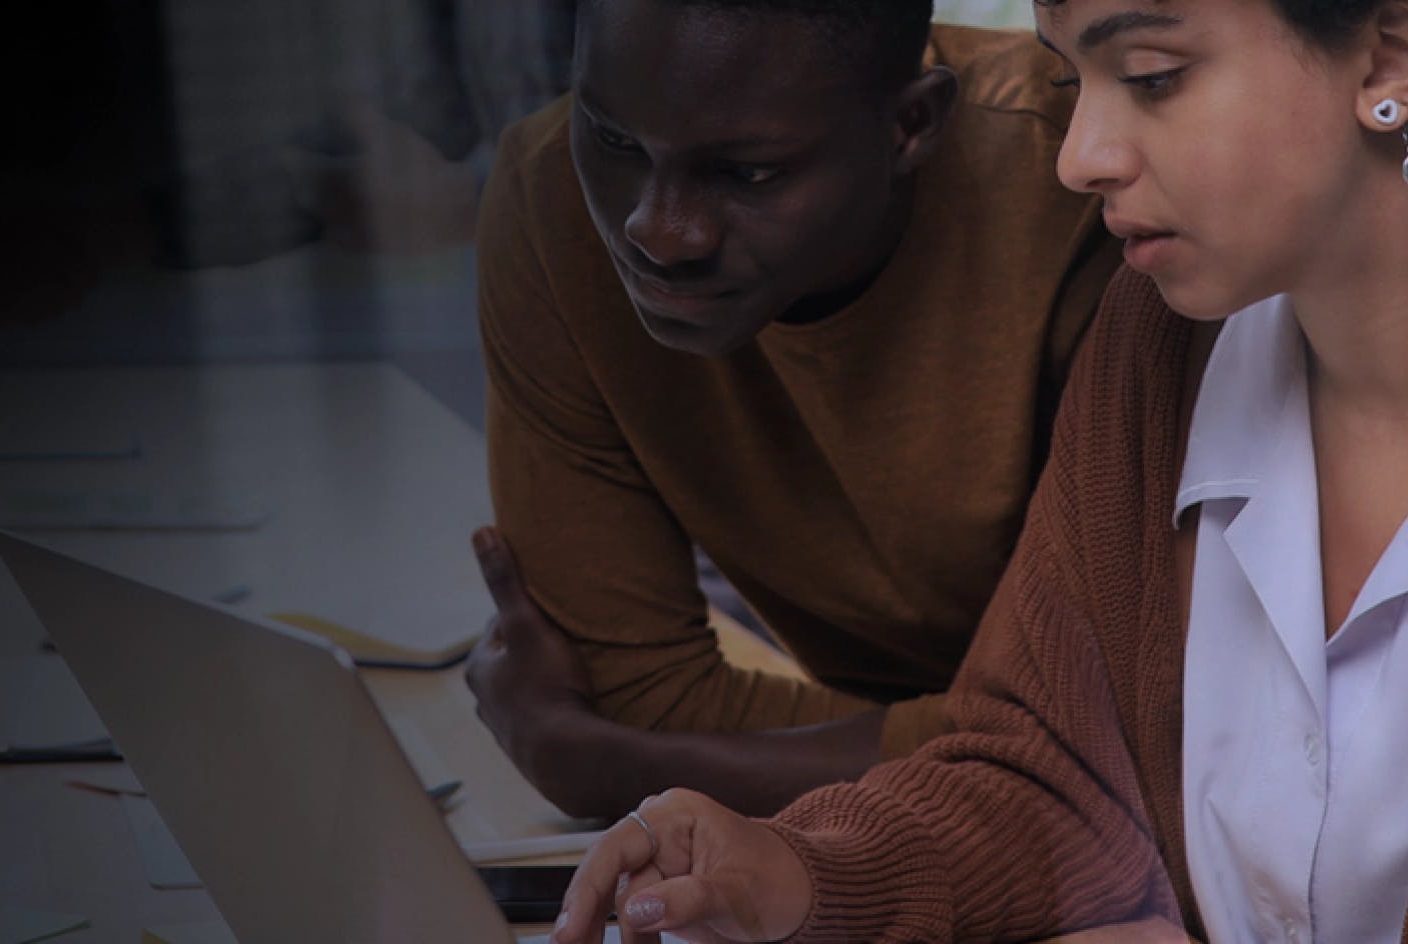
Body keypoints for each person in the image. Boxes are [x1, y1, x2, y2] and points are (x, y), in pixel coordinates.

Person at [547, 0, 1408, 940]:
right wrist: (793, 872)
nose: (1081, 156)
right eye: (1070, 79)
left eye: (1152, 77)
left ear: (1389, 62)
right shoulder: (1158, 347)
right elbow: (1046, 772)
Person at [467, 0, 1119, 818]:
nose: (659, 233)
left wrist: (624, 769)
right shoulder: (546, 199)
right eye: (614, 140)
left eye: (748, 174)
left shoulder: (1092, 186)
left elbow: (1127, 728)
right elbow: (630, 694)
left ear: (911, 127)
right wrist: (1000, 744)